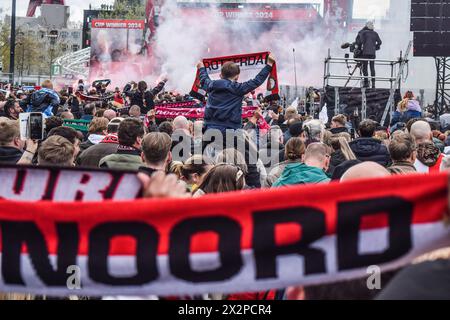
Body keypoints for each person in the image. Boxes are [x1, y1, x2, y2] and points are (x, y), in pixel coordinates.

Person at [198, 55, 275, 132]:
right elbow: (257, 81)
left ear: (221, 75)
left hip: (208, 128)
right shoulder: (238, 88)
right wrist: (269, 65)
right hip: (230, 131)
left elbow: (203, 79)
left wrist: (201, 67)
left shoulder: (210, 85)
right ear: (237, 77)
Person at [356, 21, 382, 88]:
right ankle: (373, 84)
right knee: (372, 68)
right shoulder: (375, 33)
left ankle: (366, 83)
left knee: (365, 68)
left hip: (365, 53)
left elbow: (360, 41)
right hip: (372, 53)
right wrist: (376, 47)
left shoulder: (364, 33)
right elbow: (380, 42)